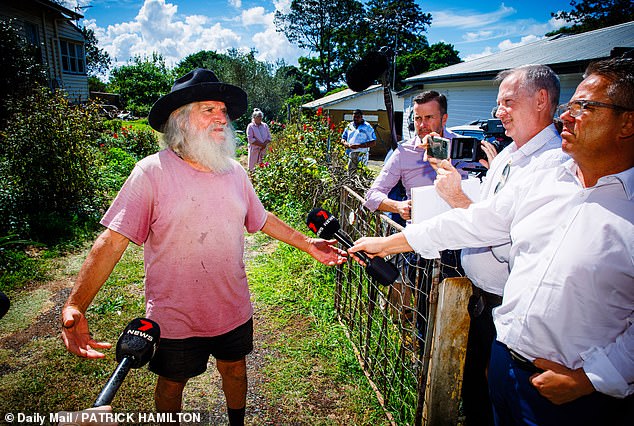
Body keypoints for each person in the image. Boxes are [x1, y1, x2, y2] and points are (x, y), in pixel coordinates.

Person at [348, 57, 633, 425]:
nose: (569, 117)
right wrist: (387, 244)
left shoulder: (554, 170)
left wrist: (593, 377)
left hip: (569, 391)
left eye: (585, 106)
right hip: (505, 357)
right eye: (570, 106)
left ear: (627, 122)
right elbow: (478, 223)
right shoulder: (546, 179)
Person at [60, 68, 346, 426]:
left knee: (236, 371)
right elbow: (113, 238)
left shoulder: (235, 172)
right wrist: (76, 304)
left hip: (231, 305)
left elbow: (260, 217)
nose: (221, 117)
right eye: (208, 109)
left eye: (223, 110)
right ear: (179, 121)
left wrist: (307, 244)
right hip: (173, 314)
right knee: (171, 383)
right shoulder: (151, 172)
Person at [430, 64, 569, 426]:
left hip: (505, 306)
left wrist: (458, 200)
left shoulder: (553, 166)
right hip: (483, 298)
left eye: (508, 101)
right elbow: (491, 211)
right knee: (479, 390)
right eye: (498, 103)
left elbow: (505, 238)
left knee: (502, 400)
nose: (498, 112)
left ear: (541, 100)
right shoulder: (510, 153)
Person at [246, 108, 271, 172]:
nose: (260, 118)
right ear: (254, 117)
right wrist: (261, 145)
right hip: (255, 149)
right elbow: (250, 139)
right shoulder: (250, 126)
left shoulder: (265, 125)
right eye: (258, 117)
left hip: (264, 149)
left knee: (264, 165)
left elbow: (269, 137)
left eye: (261, 116)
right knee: (253, 166)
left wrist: (264, 145)